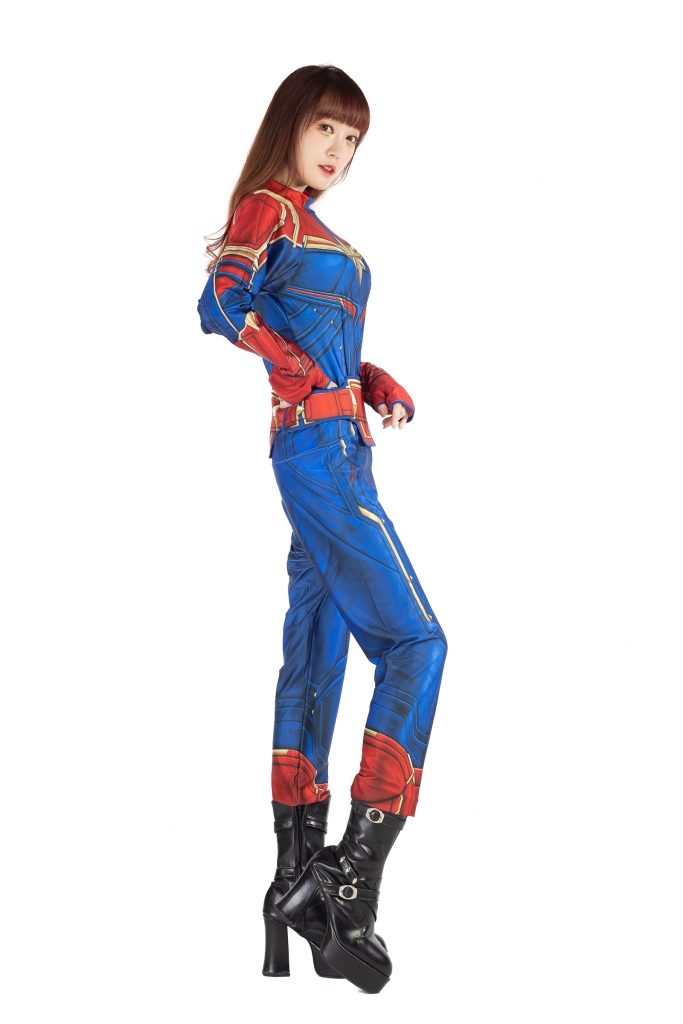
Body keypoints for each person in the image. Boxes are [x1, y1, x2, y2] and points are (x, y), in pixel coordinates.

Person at [197, 65, 447, 993]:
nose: (339, 150)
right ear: (289, 127)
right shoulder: (271, 207)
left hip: (332, 445)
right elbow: (218, 304)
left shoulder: (306, 227)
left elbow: (310, 336)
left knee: (315, 653)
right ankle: (349, 881)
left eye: (352, 137)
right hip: (319, 455)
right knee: (416, 644)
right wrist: (296, 369)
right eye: (326, 129)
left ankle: (292, 874)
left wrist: (368, 378)